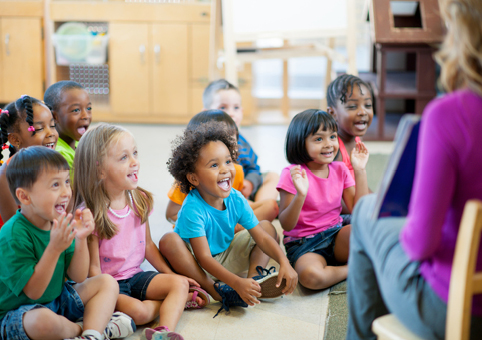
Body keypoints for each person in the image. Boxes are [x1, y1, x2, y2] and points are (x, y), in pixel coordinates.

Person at [346, 0, 482, 339]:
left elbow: (421, 244)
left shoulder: (450, 115)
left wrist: (409, 222)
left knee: (365, 212)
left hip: (457, 308)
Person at [74, 123, 207, 340]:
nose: (135, 162)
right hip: (111, 285)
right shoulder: (90, 213)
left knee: (180, 283)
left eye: (135, 153)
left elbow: (148, 247)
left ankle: (163, 332)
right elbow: (93, 269)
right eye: (123, 158)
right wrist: (101, 299)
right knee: (140, 312)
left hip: (136, 275)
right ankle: (174, 303)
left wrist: (170, 275)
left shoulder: (139, 200)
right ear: (100, 169)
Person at [160, 121, 298, 317]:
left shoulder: (236, 198)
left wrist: (284, 261)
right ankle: (216, 290)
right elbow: (204, 258)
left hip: (225, 255)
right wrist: (234, 282)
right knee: (169, 240)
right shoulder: (192, 208)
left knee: (267, 228)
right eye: (214, 165)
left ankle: (253, 283)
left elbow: (262, 238)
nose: (225, 169)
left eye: (228, 161)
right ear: (193, 178)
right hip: (196, 265)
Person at [0, 146, 135, 340]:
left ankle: (91, 334)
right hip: (18, 314)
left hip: (57, 300)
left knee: (107, 282)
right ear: (24, 196)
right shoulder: (12, 234)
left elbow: (78, 276)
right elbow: (34, 292)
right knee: (42, 322)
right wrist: (54, 248)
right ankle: (84, 329)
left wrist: (80, 239)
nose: (66, 192)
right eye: (55, 185)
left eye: (66, 182)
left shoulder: (58, 222)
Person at [277, 109, 369, 290]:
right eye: (319, 139)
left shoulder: (340, 169)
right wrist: (300, 195)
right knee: (311, 277)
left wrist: (360, 170)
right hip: (305, 245)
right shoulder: (292, 174)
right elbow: (286, 224)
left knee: (371, 228)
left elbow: (360, 212)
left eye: (332, 137)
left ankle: (345, 264)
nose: (328, 144)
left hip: (336, 234)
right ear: (300, 143)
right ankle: (353, 268)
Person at [165, 109, 278, 230]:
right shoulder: (188, 179)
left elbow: (236, 203)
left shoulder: (236, 171)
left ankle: (234, 233)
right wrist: (202, 223)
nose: (224, 146)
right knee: (169, 241)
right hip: (199, 234)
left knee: (271, 206)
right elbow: (171, 214)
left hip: (227, 225)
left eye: (231, 138)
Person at [203, 79, 280, 202]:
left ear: (242, 112)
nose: (231, 113)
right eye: (223, 107)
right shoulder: (206, 144)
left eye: (236, 108)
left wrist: (250, 183)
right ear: (206, 114)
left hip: (244, 191)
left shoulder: (242, 141)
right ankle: (258, 210)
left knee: (272, 176)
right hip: (222, 194)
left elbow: (254, 168)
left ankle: (262, 206)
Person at [0, 95, 59, 227]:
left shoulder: (55, 166)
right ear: (15, 140)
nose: (51, 133)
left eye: (53, 125)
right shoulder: (6, 176)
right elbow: (15, 231)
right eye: (39, 129)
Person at [326, 74, 374, 180]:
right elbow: (336, 194)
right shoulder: (334, 150)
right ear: (332, 113)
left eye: (368, 105)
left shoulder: (358, 139)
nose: (363, 112)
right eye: (352, 106)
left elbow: (359, 183)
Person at [44, 81, 92, 179]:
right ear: (54, 117)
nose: (86, 116)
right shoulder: (58, 155)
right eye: (76, 110)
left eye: (88, 108)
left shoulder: (80, 144)